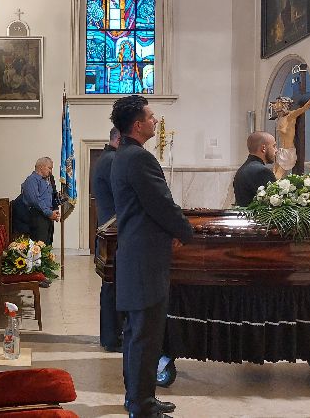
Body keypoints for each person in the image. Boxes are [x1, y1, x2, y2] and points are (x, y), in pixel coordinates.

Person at [110, 95, 192, 418]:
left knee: (137, 336)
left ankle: (138, 398)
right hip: (145, 261)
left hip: (136, 257)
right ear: (137, 125)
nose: (155, 120)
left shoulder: (123, 155)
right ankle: (142, 406)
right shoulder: (139, 159)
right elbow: (161, 204)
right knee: (145, 337)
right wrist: (185, 231)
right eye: (150, 116)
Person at [91, 127, 124, 352]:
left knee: (111, 288)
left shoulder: (106, 158)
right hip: (113, 232)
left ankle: (109, 337)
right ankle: (113, 338)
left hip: (109, 232)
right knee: (113, 289)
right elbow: (124, 195)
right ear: (119, 139)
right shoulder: (112, 160)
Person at [270, 91, 310, 178]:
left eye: (278, 103)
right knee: (273, 173)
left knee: (277, 176)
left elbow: (303, 109)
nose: (275, 105)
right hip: (281, 151)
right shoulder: (279, 119)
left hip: (288, 152)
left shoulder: (290, 116)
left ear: (284, 104)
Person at [20, 157, 60, 245]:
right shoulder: (31, 180)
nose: (50, 171)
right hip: (38, 217)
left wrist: (54, 211)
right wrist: (50, 213)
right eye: (49, 168)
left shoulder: (46, 181)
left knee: (47, 245)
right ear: (41, 167)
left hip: (47, 216)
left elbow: (50, 198)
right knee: (39, 246)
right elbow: (35, 200)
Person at [232, 131, 278, 206]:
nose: (276, 150)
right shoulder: (262, 172)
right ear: (263, 148)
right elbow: (275, 202)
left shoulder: (241, 169)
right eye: (274, 146)